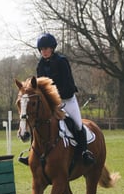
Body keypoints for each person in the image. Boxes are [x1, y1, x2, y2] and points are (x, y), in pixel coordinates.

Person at [18, 32, 95, 166]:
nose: (44, 51)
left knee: (77, 124)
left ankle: (84, 152)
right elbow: (39, 88)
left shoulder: (61, 61)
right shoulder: (40, 65)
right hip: (50, 103)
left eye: (46, 48)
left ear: (52, 48)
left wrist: (56, 98)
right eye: (42, 49)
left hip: (67, 99)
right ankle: (32, 152)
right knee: (37, 123)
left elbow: (68, 85)